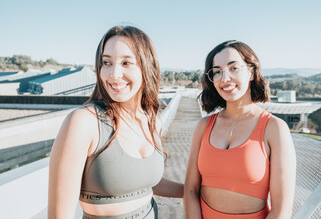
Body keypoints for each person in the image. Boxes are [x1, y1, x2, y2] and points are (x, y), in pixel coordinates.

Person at [48, 25, 183, 219]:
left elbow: (142, 181)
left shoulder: (151, 120)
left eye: (126, 63)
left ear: (147, 66)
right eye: (106, 62)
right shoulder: (84, 122)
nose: (113, 74)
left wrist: (191, 190)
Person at [184, 40, 296, 219]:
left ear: (251, 72)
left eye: (233, 68)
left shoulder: (275, 128)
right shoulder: (204, 126)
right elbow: (190, 190)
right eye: (217, 71)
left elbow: (282, 210)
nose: (225, 78)